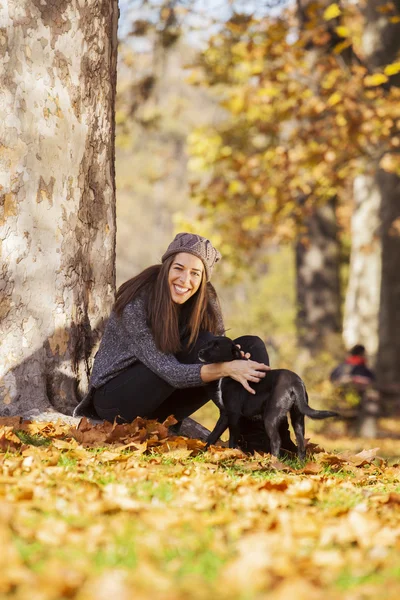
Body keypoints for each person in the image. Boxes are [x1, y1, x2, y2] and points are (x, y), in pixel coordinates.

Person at [74, 232, 296, 453]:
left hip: (161, 406)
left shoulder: (206, 300)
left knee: (250, 345)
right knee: (209, 349)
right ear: (167, 267)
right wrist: (227, 368)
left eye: (195, 273)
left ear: (202, 279)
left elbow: (220, 351)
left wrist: (238, 362)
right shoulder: (137, 302)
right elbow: (170, 372)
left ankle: (261, 438)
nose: (184, 280)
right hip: (117, 401)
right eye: (179, 268)